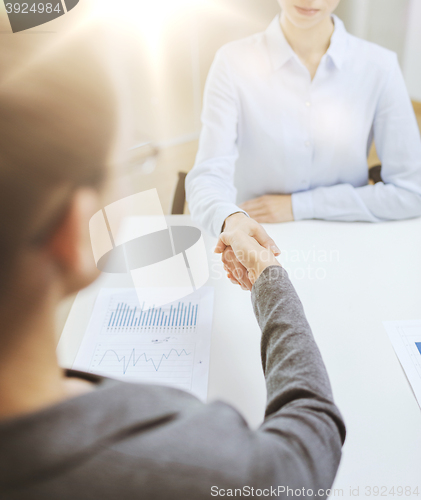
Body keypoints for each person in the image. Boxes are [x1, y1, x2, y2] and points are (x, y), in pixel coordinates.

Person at [0, 36, 345, 500]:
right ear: (72, 227)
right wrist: (269, 276)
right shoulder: (197, 466)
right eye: (129, 160)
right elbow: (305, 451)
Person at [186, 0, 421, 289]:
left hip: (352, 254)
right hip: (254, 251)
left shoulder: (379, 66)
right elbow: (207, 176)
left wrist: (300, 206)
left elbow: (413, 191)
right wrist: (231, 220)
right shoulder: (232, 62)